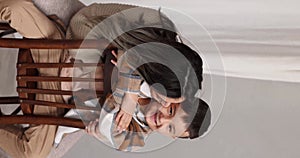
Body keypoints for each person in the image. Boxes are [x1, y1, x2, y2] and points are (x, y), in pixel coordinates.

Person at [0, 0, 209, 156]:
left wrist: (104, 127)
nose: (163, 118)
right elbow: (125, 60)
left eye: (169, 128)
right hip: (58, 52)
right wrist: (130, 93)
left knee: (33, 152)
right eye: (170, 109)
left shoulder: (138, 132)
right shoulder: (146, 77)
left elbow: (109, 127)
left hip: (57, 102)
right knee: (15, 9)